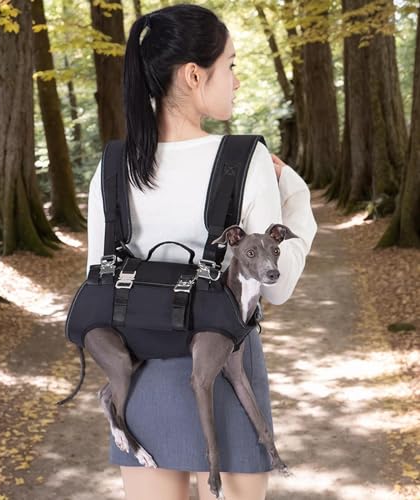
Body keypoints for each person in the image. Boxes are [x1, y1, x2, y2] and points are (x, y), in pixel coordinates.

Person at [85, 4, 317, 499]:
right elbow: (276, 290)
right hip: (227, 365)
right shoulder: (246, 158)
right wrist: (296, 192)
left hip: (139, 365)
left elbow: (99, 281)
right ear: (194, 74)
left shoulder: (112, 165)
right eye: (230, 65)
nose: (236, 79)